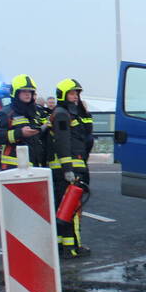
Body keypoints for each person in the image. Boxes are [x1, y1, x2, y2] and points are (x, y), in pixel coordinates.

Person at [49, 78, 94, 258]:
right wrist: (68, 168)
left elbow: (86, 134)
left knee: (65, 208)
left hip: (74, 165)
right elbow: (63, 142)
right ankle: (73, 247)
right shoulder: (62, 114)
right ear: (63, 95)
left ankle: (63, 245)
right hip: (69, 169)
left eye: (76, 93)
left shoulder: (71, 114)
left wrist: (84, 111)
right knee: (72, 208)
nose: (75, 97)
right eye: (72, 93)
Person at [0, 74, 47, 170]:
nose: (28, 94)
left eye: (30, 91)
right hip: (14, 167)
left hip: (35, 164)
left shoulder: (36, 112)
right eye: (24, 91)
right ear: (15, 93)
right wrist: (20, 133)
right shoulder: (6, 113)